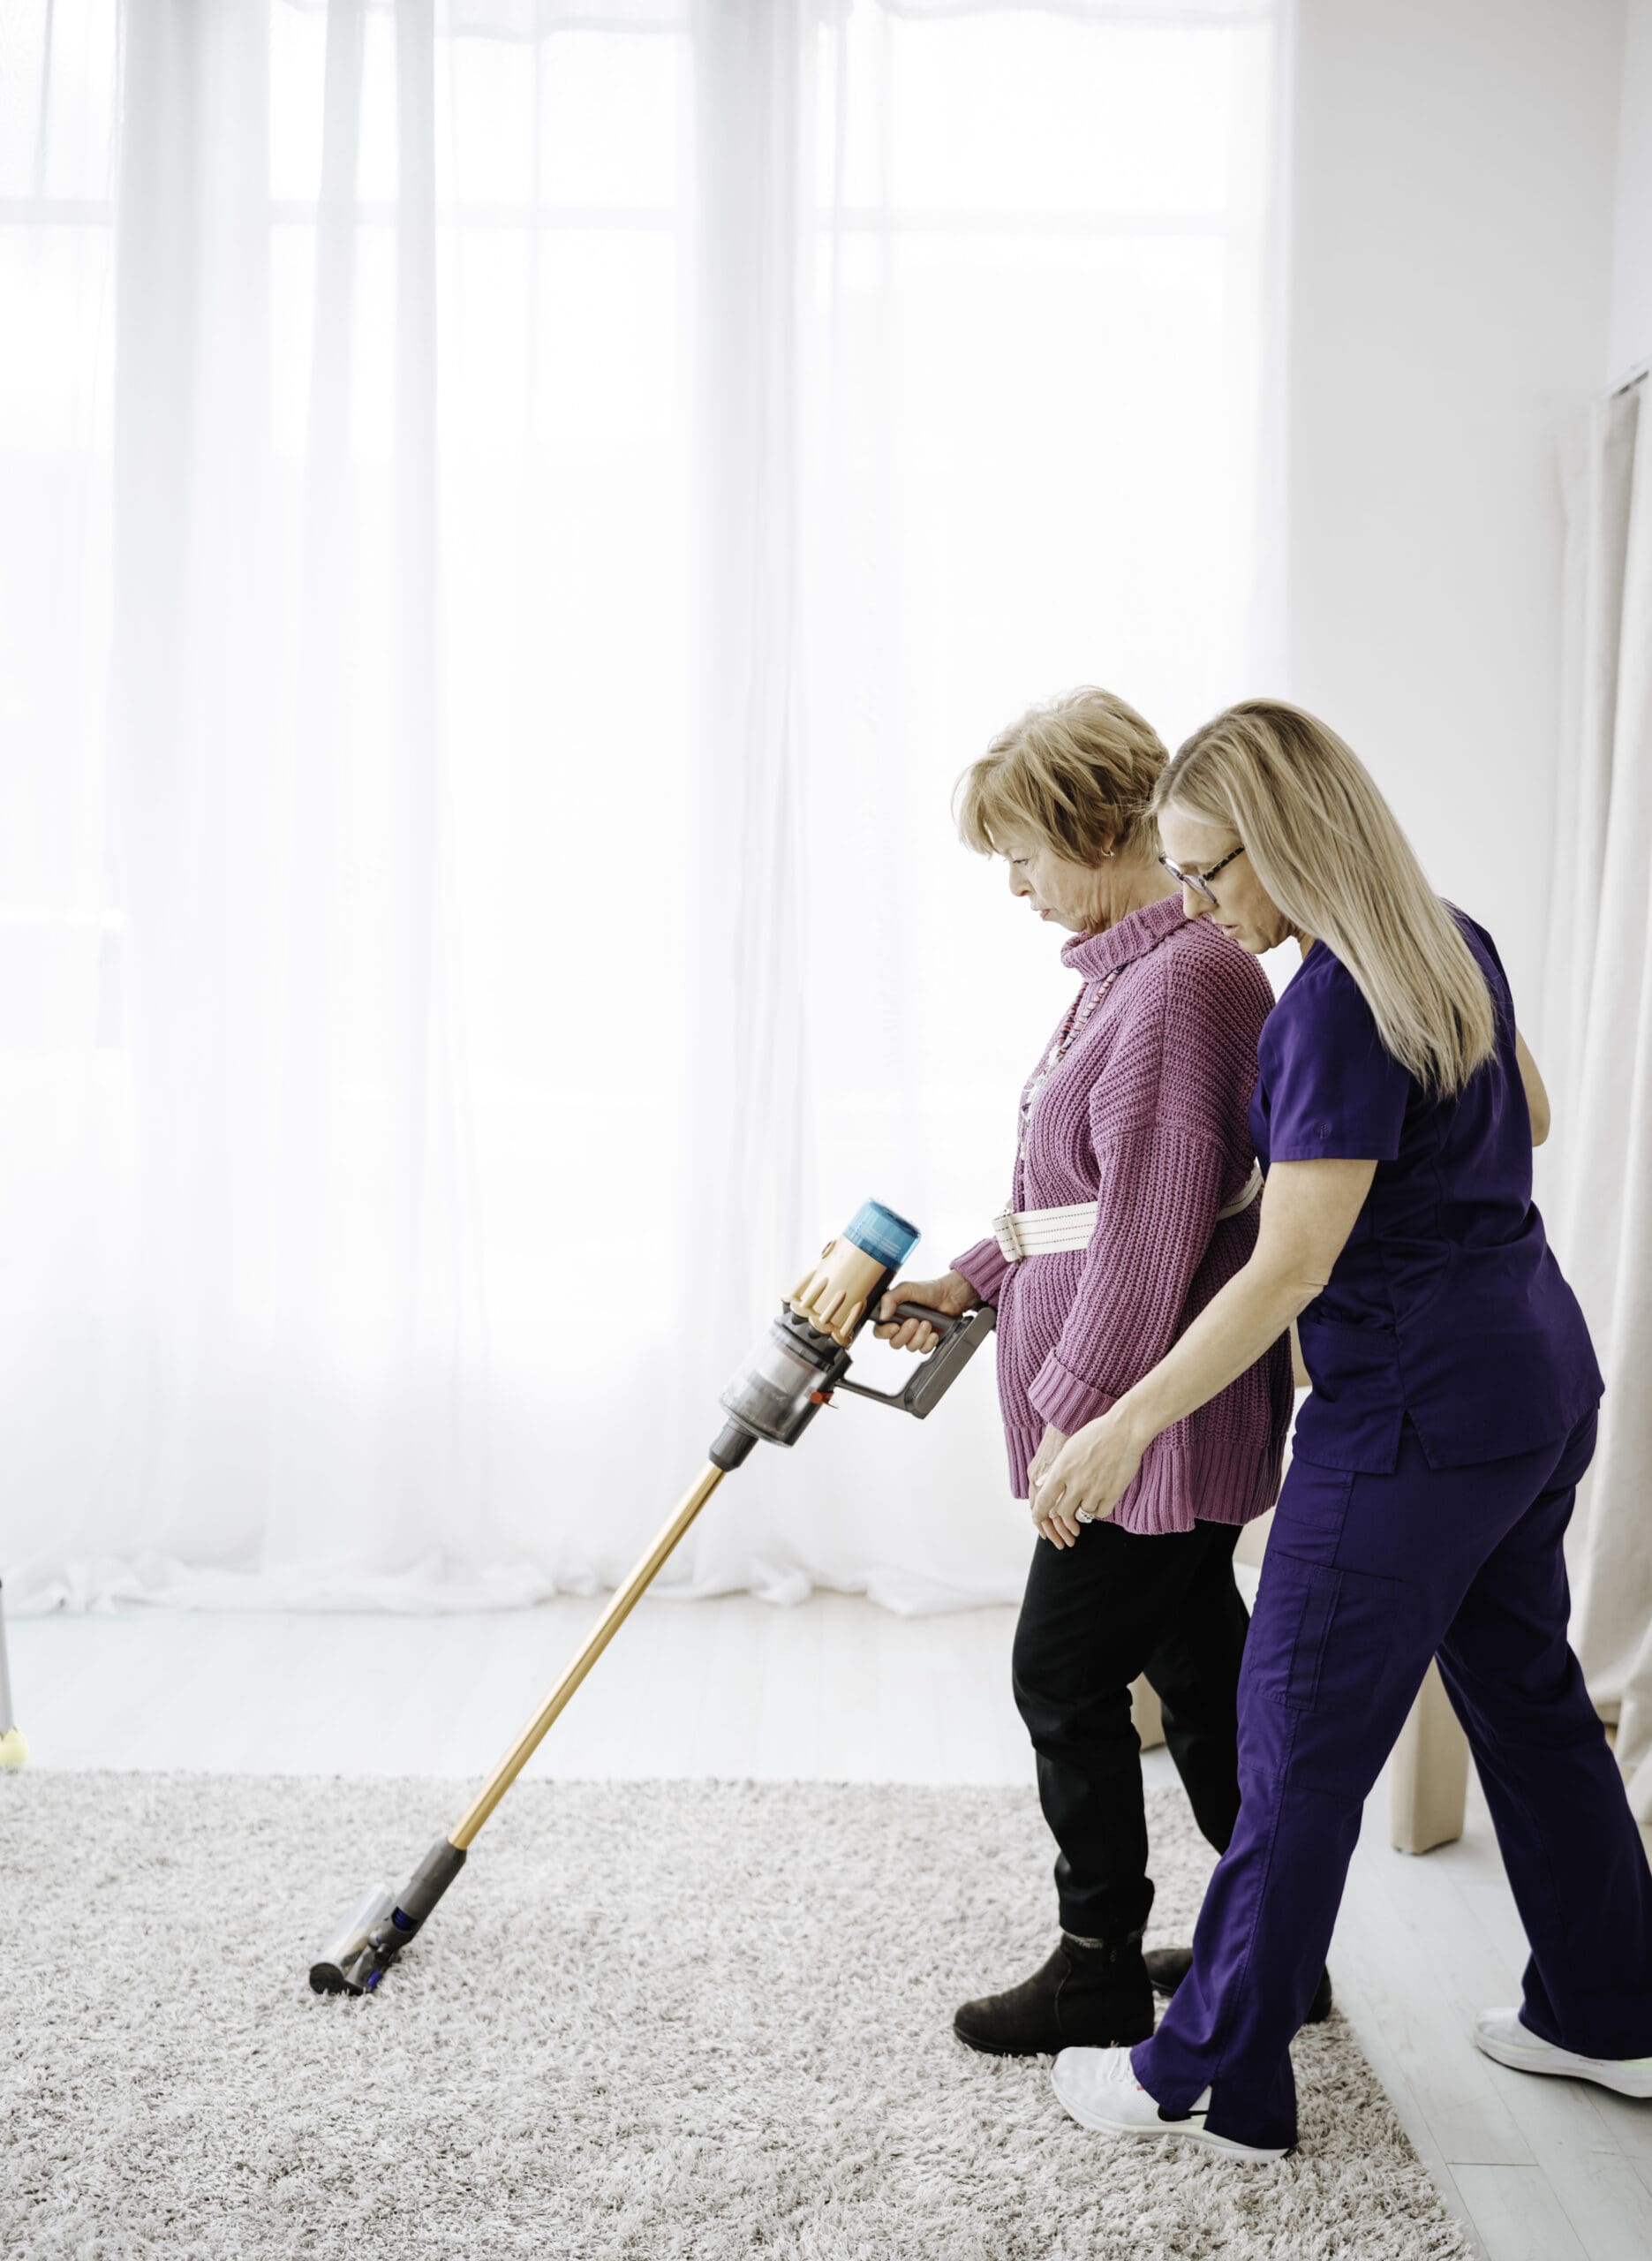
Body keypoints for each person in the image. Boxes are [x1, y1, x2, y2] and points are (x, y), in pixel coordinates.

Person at [1035, 698, 1652, 2163]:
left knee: (1295, 1742)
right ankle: (1613, 2014)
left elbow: (1294, 1269)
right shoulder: (1448, 937)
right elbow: (1537, 1119)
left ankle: (1207, 2074)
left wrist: (1124, 1422)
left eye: (1209, 871)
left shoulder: (1326, 1001)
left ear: (1291, 838)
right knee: (1528, 1698)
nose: (1195, 903)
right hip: (1535, 1381)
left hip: (1414, 1420)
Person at [877, 687, 1296, 2057]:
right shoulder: (1129, 977)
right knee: (1200, 1666)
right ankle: (1272, 1949)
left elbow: (1151, 1237)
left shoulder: (1179, 984)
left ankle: (1098, 1965)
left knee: (1062, 1673)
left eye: (1023, 851)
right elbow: (1069, 1206)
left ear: (1100, 823)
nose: (1013, 885)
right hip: (1150, 1411)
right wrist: (969, 1282)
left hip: (1147, 1418)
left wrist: (1074, 1422)